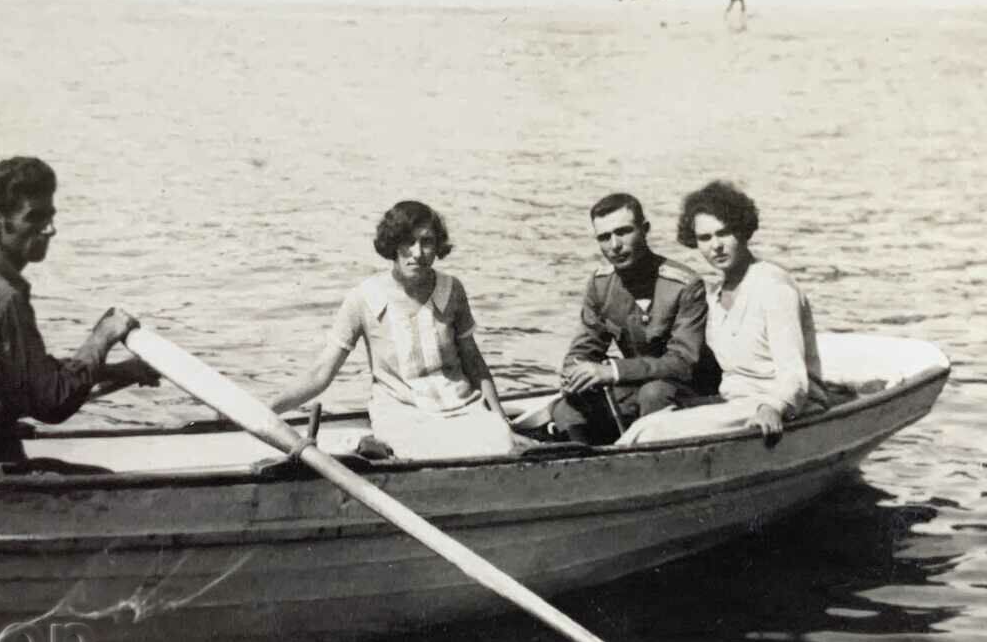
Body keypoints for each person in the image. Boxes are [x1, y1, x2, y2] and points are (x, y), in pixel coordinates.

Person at [0, 157, 158, 473]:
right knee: (108, 487)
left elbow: (28, 381)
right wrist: (102, 337)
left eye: (50, 216)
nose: (50, 229)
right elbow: (53, 404)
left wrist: (121, 372)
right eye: (34, 217)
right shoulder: (2, 298)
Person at [269, 201, 514, 460]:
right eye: (408, 242)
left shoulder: (452, 290)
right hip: (402, 414)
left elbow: (474, 362)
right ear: (392, 244)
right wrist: (268, 409)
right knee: (423, 454)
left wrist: (501, 420)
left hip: (462, 406)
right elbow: (321, 373)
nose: (417, 253)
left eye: (427, 242)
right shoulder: (363, 298)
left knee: (500, 443)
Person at [618, 181, 829, 445]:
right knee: (649, 419)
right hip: (735, 403)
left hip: (782, 405)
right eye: (704, 238)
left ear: (742, 231)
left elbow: (793, 375)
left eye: (724, 233)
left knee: (655, 432)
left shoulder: (774, 287)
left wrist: (774, 406)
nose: (715, 246)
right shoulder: (713, 295)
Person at [550, 193, 713, 444]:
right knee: (567, 407)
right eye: (604, 237)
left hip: (689, 391)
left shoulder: (685, 285)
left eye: (623, 232)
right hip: (636, 387)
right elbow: (584, 347)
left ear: (644, 229)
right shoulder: (600, 285)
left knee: (654, 393)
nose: (614, 245)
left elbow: (682, 363)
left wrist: (612, 371)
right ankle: (581, 465)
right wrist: (574, 372)